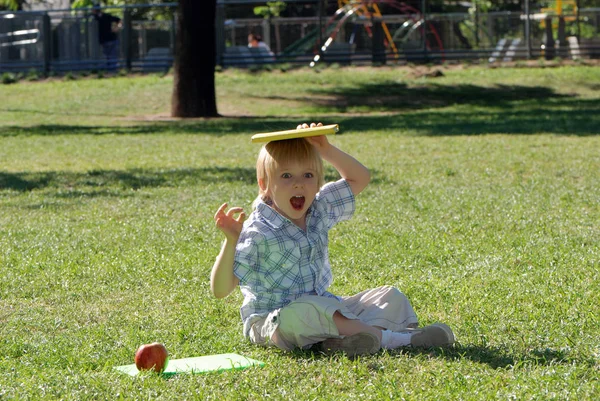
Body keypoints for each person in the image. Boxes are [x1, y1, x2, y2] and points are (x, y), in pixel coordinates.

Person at [211, 122, 455, 356]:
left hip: (326, 307)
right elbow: (220, 290)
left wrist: (324, 149)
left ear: (318, 182)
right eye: (286, 176)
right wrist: (231, 241)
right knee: (309, 310)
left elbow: (359, 178)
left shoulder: (319, 208)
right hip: (275, 322)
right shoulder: (257, 230)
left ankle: (344, 342)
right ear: (264, 185)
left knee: (388, 297)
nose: (298, 184)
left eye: (307, 175)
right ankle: (399, 340)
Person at [91, 4, 122, 71]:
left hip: (109, 40)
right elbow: (119, 20)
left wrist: (116, 28)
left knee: (110, 56)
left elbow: (119, 20)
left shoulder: (100, 17)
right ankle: (111, 70)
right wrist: (117, 28)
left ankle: (112, 71)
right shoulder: (96, 17)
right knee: (109, 56)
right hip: (106, 40)